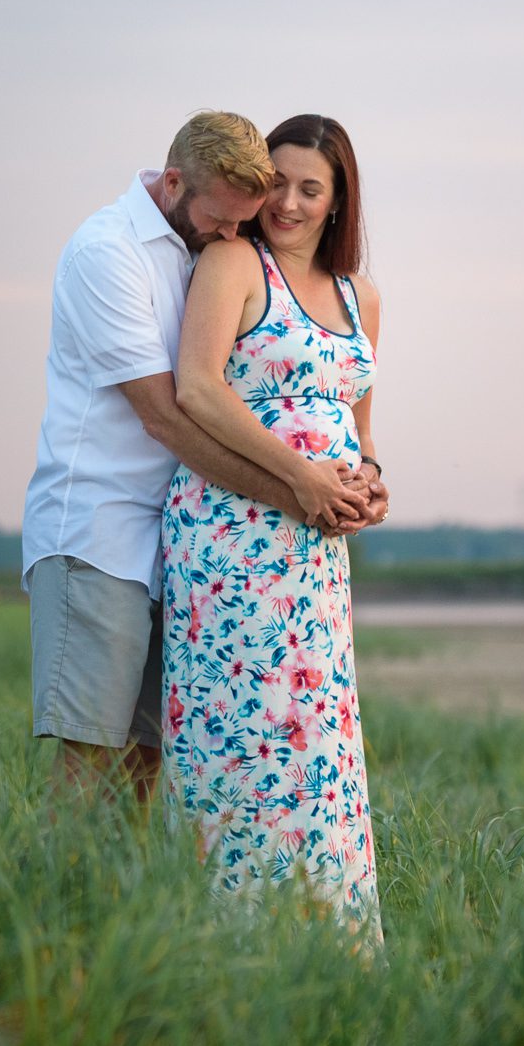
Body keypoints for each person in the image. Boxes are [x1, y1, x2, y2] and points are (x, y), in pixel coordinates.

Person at [22, 111, 384, 803]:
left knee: (145, 765)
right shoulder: (110, 251)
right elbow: (167, 415)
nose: (232, 235)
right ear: (176, 182)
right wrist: (295, 488)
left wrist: (361, 476)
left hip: (177, 545)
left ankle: (127, 908)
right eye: (220, 221)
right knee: (88, 756)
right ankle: (57, 903)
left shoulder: (204, 245)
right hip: (98, 531)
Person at [158, 113, 385, 939]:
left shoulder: (363, 298)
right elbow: (198, 387)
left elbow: (357, 428)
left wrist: (369, 482)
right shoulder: (232, 262)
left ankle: (326, 943)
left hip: (315, 554)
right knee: (240, 735)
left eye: (309, 187)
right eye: (277, 182)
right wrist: (296, 474)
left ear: (337, 200)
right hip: (231, 541)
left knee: (316, 745)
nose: (287, 201)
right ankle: (226, 941)